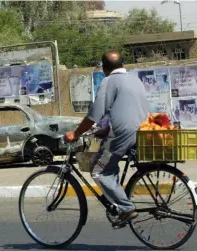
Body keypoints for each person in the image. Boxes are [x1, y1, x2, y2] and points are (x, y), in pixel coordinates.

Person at [64, 49, 150, 228]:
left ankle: (126, 207)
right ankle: (118, 205)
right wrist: (105, 129)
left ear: (104, 67)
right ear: (122, 64)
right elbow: (123, 109)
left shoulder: (109, 81)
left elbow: (95, 113)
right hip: (142, 131)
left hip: (121, 135)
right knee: (110, 166)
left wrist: (75, 133)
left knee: (99, 171)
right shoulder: (134, 79)